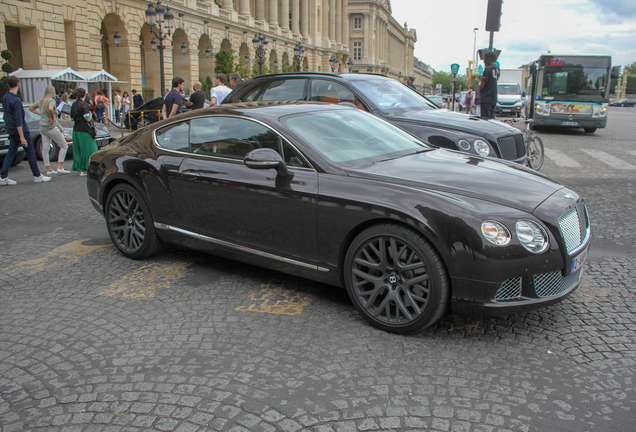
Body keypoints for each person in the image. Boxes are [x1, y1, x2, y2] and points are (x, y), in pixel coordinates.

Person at [1, 76, 52, 185]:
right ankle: (37, 175)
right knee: (30, 153)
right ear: (18, 84)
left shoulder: (5, 98)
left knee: (11, 152)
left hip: (11, 129)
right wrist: (22, 136)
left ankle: (3, 176)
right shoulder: (16, 100)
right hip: (20, 130)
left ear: (7, 85)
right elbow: (18, 119)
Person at [29, 85, 70, 175]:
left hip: (42, 127)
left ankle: (48, 168)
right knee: (64, 145)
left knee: (45, 148)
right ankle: (60, 166)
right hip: (51, 127)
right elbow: (51, 109)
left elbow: (31, 108)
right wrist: (52, 118)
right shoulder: (51, 101)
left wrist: (40, 114)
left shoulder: (41, 101)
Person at [70, 88, 99, 176]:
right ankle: (87, 167)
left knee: (79, 150)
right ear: (84, 94)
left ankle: (80, 168)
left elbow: (72, 118)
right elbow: (87, 118)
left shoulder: (74, 105)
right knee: (90, 149)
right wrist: (90, 115)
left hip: (76, 129)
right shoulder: (84, 105)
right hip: (85, 129)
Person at [479, 51, 500, 119]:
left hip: (486, 97)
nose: (484, 61)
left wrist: (477, 88)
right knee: (491, 117)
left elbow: (482, 85)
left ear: (489, 59)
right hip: (493, 97)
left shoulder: (487, 69)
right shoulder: (497, 68)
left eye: (484, 59)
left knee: (485, 118)